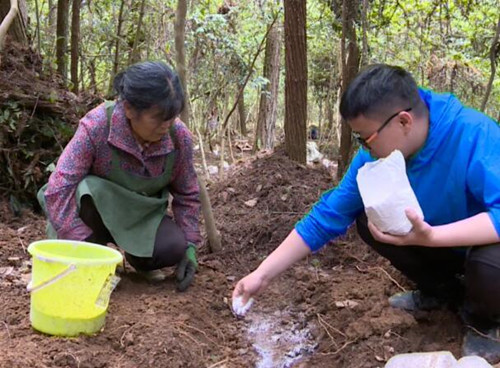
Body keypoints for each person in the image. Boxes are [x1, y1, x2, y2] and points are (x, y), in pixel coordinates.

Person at [232, 64, 500, 362]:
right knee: (366, 219)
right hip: (434, 242)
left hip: (479, 249)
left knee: (491, 263)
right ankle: (443, 293)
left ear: (403, 121)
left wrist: (432, 236)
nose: (364, 149)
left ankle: (484, 321)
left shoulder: (474, 134)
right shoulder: (373, 157)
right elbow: (328, 216)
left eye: (364, 138)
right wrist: (262, 275)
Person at [38, 61, 201, 291]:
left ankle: (140, 259)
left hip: (139, 216)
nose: (166, 125)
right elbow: (59, 188)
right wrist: (83, 244)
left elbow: (187, 194)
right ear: (129, 109)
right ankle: (92, 251)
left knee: (174, 246)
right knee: (85, 190)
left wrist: (190, 246)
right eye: (157, 117)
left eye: (171, 117)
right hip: (93, 214)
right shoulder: (97, 126)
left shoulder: (179, 138)